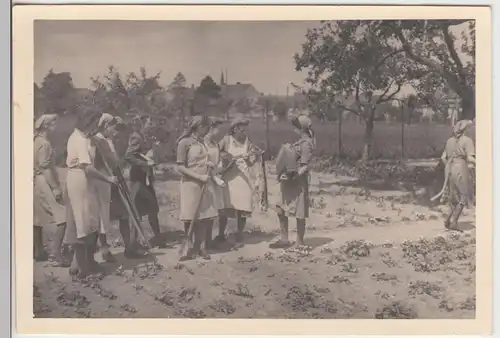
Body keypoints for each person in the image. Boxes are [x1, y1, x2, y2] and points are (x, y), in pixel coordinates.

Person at [64, 109, 118, 278]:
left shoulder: (85, 138)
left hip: (86, 181)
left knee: (90, 222)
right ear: (87, 122)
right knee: (82, 223)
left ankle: (88, 262)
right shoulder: (79, 140)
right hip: (80, 180)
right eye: (94, 124)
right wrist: (107, 179)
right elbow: (87, 168)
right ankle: (82, 268)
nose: (96, 128)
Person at [92, 114, 148, 262]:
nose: (114, 130)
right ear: (106, 126)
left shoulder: (109, 141)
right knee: (103, 217)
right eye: (112, 127)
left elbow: (116, 160)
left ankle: (129, 247)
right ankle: (105, 250)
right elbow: (95, 164)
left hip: (116, 180)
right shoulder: (96, 141)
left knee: (124, 214)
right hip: (103, 182)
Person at [269, 114, 315, 249]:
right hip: (288, 179)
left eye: (296, 126)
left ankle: (300, 241)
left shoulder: (306, 144)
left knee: (299, 212)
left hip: (298, 182)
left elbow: (305, 165)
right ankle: (284, 239)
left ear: (301, 128)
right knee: (281, 208)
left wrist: (293, 176)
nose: (293, 128)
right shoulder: (299, 142)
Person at [176, 116, 218, 260]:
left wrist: (209, 164)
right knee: (190, 217)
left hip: (205, 182)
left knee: (204, 216)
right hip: (191, 184)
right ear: (199, 127)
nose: (207, 131)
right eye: (206, 127)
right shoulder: (184, 143)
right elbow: (180, 166)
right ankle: (187, 247)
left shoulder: (202, 142)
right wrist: (198, 177)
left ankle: (202, 248)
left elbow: (204, 159)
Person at [214, 117, 260, 249]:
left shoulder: (248, 142)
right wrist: (228, 157)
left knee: (242, 207)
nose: (244, 131)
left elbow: (251, 162)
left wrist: (253, 157)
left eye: (245, 128)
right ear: (234, 129)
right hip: (228, 177)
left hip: (243, 178)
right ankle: (221, 234)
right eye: (241, 128)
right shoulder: (226, 140)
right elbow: (217, 152)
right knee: (225, 206)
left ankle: (240, 234)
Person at [33, 114, 71, 266]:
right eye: (53, 124)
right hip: (45, 180)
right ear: (46, 126)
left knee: (36, 217)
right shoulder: (45, 144)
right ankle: (55, 253)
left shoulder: (35, 141)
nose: (55, 127)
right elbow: (45, 167)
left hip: (36, 180)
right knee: (63, 216)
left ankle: (38, 251)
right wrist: (55, 188)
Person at [125, 116, 166, 249]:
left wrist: (154, 159)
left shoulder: (147, 138)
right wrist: (144, 163)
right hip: (137, 179)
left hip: (146, 178)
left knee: (153, 209)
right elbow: (129, 156)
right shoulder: (136, 137)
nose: (151, 125)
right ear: (143, 124)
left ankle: (157, 237)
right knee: (136, 211)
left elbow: (151, 156)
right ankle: (132, 243)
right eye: (149, 122)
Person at [440, 119, 476, 232]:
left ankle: (448, 219)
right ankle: (454, 222)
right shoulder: (468, 140)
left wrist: (449, 166)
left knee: (453, 196)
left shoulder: (449, 141)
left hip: (449, 168)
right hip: (460, 167)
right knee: (463, 196)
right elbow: (470, 157)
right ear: (466, 129)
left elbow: (443, 158)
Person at [203, 117, 227, 250]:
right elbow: (204, 162)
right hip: (207, 179)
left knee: (219, 209)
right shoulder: (203, 144)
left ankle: (214, 238)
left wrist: (220, 167)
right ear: (210, 128)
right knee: (208, 211)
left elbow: (217, 160)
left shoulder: (215, 143)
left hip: (217, 178)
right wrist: (213, 176)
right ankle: (205, 242)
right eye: (216, 128)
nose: (218, 132)